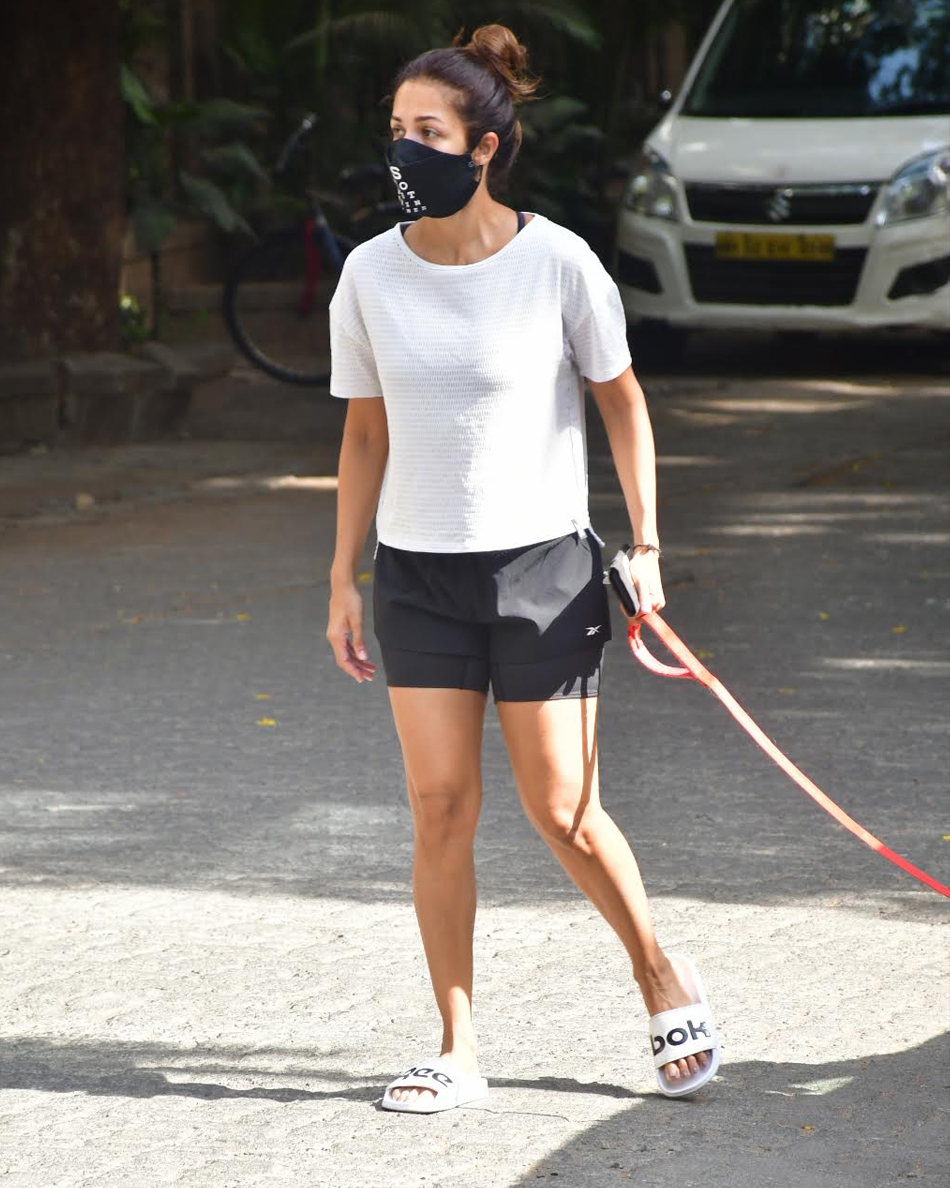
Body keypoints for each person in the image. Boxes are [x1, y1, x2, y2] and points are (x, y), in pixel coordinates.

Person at [326, 23, 719, 1113]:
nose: (405, 150)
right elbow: (363, 434)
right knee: (439, 808)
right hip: (417, 577)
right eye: (397, 129)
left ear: (484, 147)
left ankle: (658, 973)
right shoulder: (367, 275)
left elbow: (622, 403)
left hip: (542, 570)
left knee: (564, 811)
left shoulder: (557, 263)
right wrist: (341, 576)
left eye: (428, 131)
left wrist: (647, 545)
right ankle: (456, 1048)